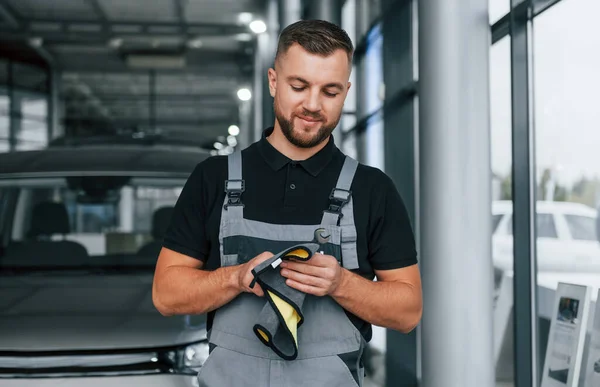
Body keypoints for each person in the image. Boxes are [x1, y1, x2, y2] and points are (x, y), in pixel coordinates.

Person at [152, 19, 422, 386]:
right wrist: (235, 277)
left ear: (347, 91)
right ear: (274, 81)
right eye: (299, 86)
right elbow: (167, 295)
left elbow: (408, 312)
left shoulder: (372, 188)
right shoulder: (212, 179)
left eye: (330, 91)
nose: (312, 105)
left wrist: (341, 283)